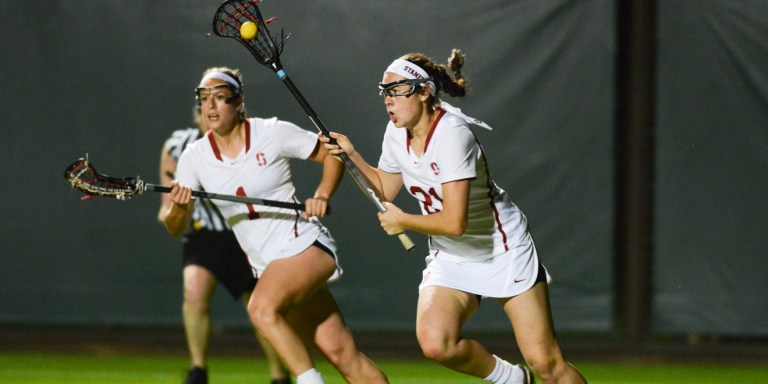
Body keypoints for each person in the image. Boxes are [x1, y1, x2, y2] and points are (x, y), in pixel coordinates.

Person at [321, 50, 588, 384]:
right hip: (452, 254)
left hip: (502, 248)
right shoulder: (396, 133)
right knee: (436, 343)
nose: (388, 100)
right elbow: (384, 190)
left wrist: (404, 221)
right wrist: (352, 156)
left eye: (397, 90)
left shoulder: (452, 135)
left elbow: (454, 222)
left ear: (424, 91)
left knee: (547, 363)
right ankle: (513, 380)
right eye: (385, 91)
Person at [163, 66, 389, 384]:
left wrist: (322, 194)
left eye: (219, 98)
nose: (210, 106)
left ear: (239, 102)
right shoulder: (194, 156)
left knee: (260, 309)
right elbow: (175, 227)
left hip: (303, 245)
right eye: (204, 99)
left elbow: (332, 154)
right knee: (343, 355)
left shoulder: (271, 132)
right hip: (267, 265)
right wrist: (180, 208)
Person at [157, 106, 291, 384]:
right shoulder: (181, 147)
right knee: (194, 291)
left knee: (261, 307)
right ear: (197, 116)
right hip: (204, 233)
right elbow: (169, 209)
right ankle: (198, 370)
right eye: (205, 111)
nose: (211, 118)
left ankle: (280, 375)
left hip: (245, 231)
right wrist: (172, 210)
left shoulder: (251, 140)